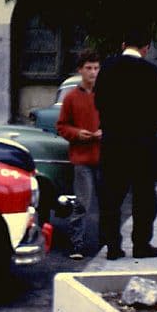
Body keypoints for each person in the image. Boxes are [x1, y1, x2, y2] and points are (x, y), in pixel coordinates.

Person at [94, 28, 157, 260]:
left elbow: (98, 101)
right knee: (144, 196)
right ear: (146, 48)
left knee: (111, 198)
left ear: (123, 44)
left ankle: (113, 246)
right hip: (142, 145)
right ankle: (141, 244)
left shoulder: (107, 68)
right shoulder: (150, 71)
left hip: (113, 143)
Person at [56, 49, 101, 260]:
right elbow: (62, 126)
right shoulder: (71, 97)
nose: (93, 72)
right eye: (89, 68)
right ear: (80, 70)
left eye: (96, 68)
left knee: (108, 204)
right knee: (82, 203)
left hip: (104, 157)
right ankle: (77, 244)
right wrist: (77, 133)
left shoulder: (106, 94)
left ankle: (109, 243)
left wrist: (106, 132)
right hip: (82, 158)